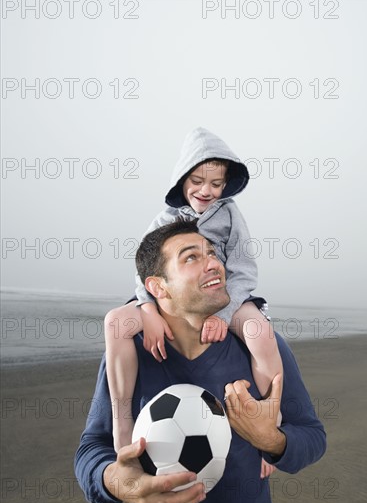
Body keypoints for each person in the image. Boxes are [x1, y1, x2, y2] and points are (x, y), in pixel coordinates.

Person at [75, 219, 327, 503]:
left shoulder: (263, 348)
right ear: (157, 287)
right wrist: (114, 481)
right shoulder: (128, 357)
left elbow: (312, 435)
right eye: (191, 257)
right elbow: (92, 447)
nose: (214, 264)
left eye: (213, 254)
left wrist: (273, 440)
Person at [105, 128, 283, 480]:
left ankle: (270, 425)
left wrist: (226, 312)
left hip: (228, 296)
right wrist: (148, 311)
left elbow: (244, 268)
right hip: (167, 301)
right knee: (115, 323)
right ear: (182, 178)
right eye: (198, 181)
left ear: (227, 184)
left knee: (259, 331)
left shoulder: (230, 215)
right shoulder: (163, 220)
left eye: (216, 183)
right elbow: (144, 272)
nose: (206, 190)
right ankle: (122, 429)